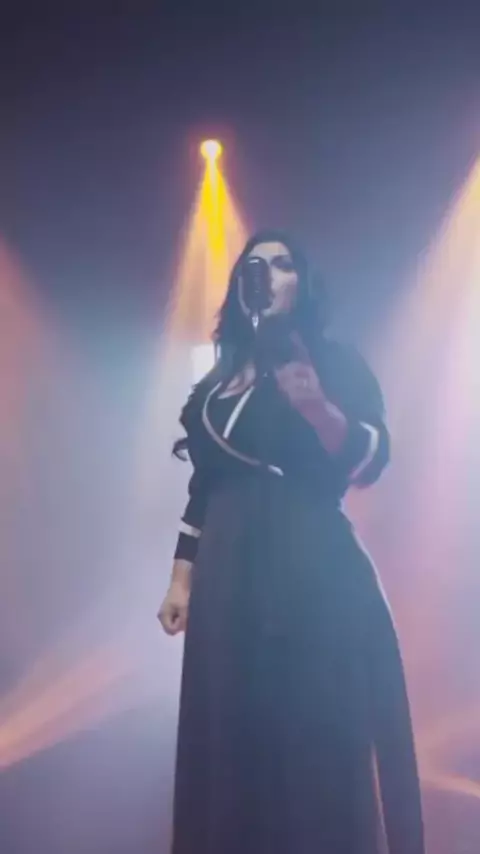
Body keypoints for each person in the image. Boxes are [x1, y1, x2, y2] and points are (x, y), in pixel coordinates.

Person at [158, 231, 425, 854]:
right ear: (239, 286)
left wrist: (317, 408)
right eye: (254, 266)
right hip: (228, 576)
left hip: (310, 566)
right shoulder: (215, 385)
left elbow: (371, 459)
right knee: (231, 734)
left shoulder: (333, 363)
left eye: (282, 265)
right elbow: (205, 485)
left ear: (302, 283)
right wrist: (180, 578)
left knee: (313, 733)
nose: (268, 275)